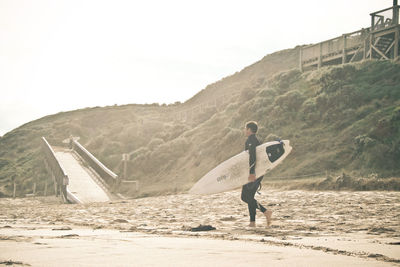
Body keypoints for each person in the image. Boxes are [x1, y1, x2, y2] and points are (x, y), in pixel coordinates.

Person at [241, 121, 272, 227]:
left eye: (245, 129)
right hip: (254, 172)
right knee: (245, 197)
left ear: (249, 130)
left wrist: (251, 173)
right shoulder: (253, 140)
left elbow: (253, 157)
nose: (244, 130)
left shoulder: (251, 140)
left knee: (248, 196)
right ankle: (265, 212)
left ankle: (253, 222)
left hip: (255, 173)